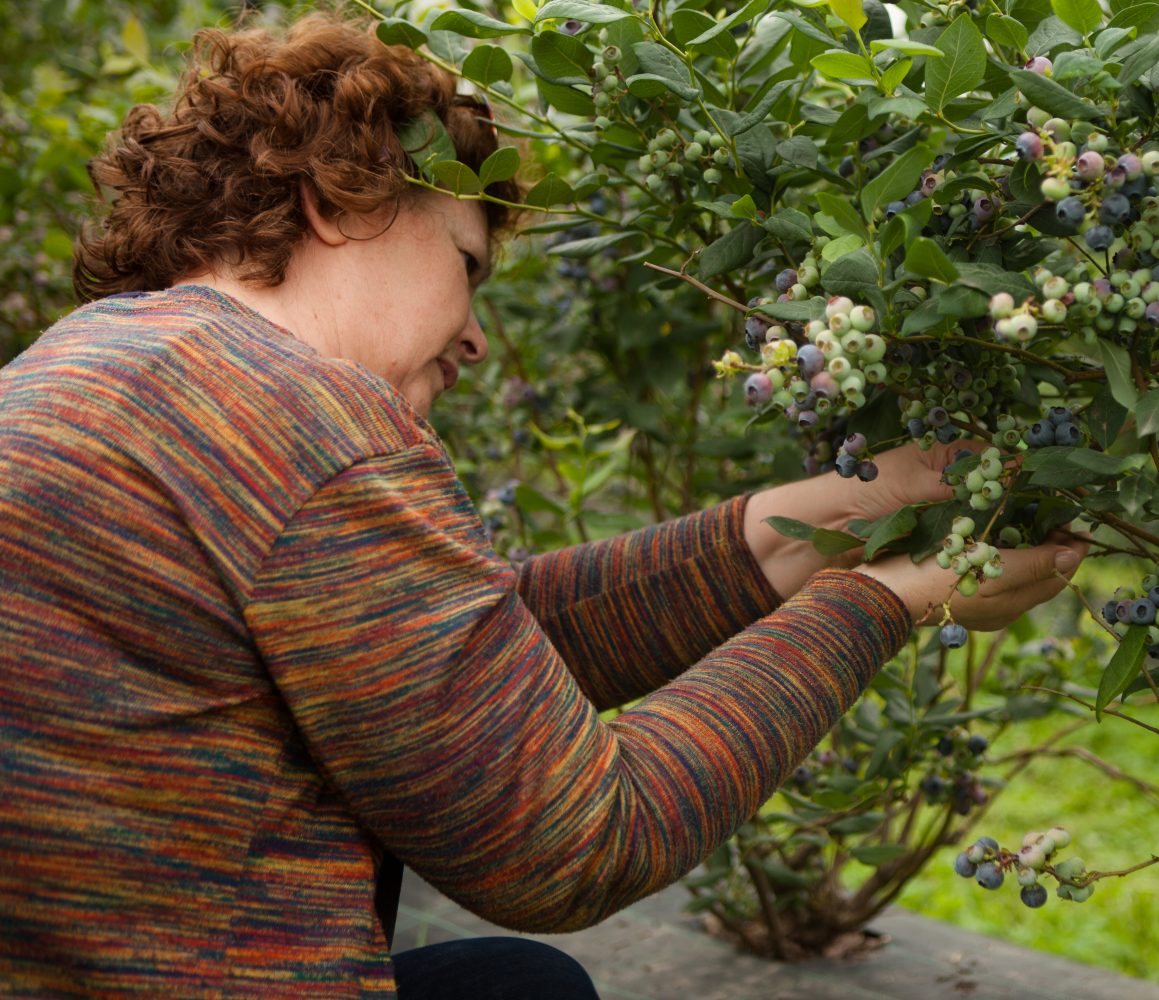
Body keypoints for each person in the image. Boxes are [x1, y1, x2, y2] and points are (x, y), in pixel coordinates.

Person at [0, 10, 1087, 998]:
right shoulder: (305, 421)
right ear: (339, 201)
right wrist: (887, 605)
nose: (476, 335)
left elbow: (461, 666)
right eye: (467, 266)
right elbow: (572, 846)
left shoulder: (88, 365)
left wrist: (836, 514)